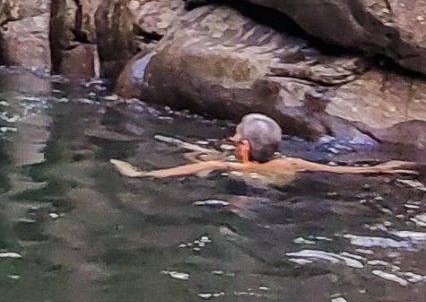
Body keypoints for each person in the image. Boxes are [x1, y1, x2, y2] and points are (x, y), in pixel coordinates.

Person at [112, 114, 419, 184]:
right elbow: (338, 169)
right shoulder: (291, 163)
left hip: (253, 194)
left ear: (243, 145)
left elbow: (199, 167)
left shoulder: (234, 166)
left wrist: (144, 174)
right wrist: (384, 167)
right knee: (200, 152)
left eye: (236, 135)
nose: (232, 138)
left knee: (204, 159)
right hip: (273, 182)